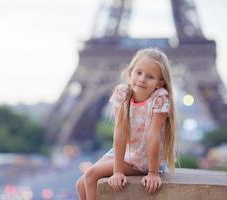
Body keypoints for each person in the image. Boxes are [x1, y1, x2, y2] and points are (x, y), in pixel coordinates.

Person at [75, 48, 177, 200]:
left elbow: (153, 135)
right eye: (139, 73)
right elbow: (120, 131)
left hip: (143, 159)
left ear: (159, 83)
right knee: (81, 183)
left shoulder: (159, 99)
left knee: (91, 174)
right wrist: (117, 171)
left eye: (150, 77)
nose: (142, 79)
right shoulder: (122, 93)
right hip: (126, 152)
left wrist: (153, 173)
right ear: (130, 73)